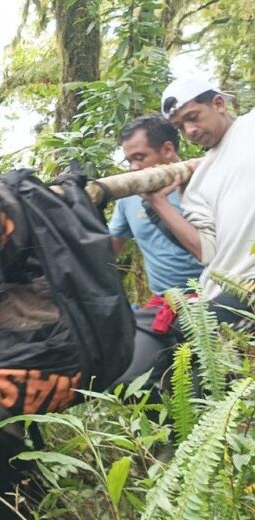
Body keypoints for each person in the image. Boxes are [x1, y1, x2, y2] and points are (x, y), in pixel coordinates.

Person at [143, 77, 255, 326]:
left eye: (193, 117)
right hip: (224, 295)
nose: (190, 131)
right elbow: (206, 251)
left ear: (218, 104)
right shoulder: (199, 178)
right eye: (180, 126)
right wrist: (158, 202)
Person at [108, 114, 204, 386]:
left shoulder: (204, 185)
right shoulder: (128, 199)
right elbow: (108, 254)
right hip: (163, 303)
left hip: (213, 299)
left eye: (141, 157)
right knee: (126, 382)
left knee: (200, 385)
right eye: (129, 161)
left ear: (167, 150)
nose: (134, 167)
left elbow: (212, 252)